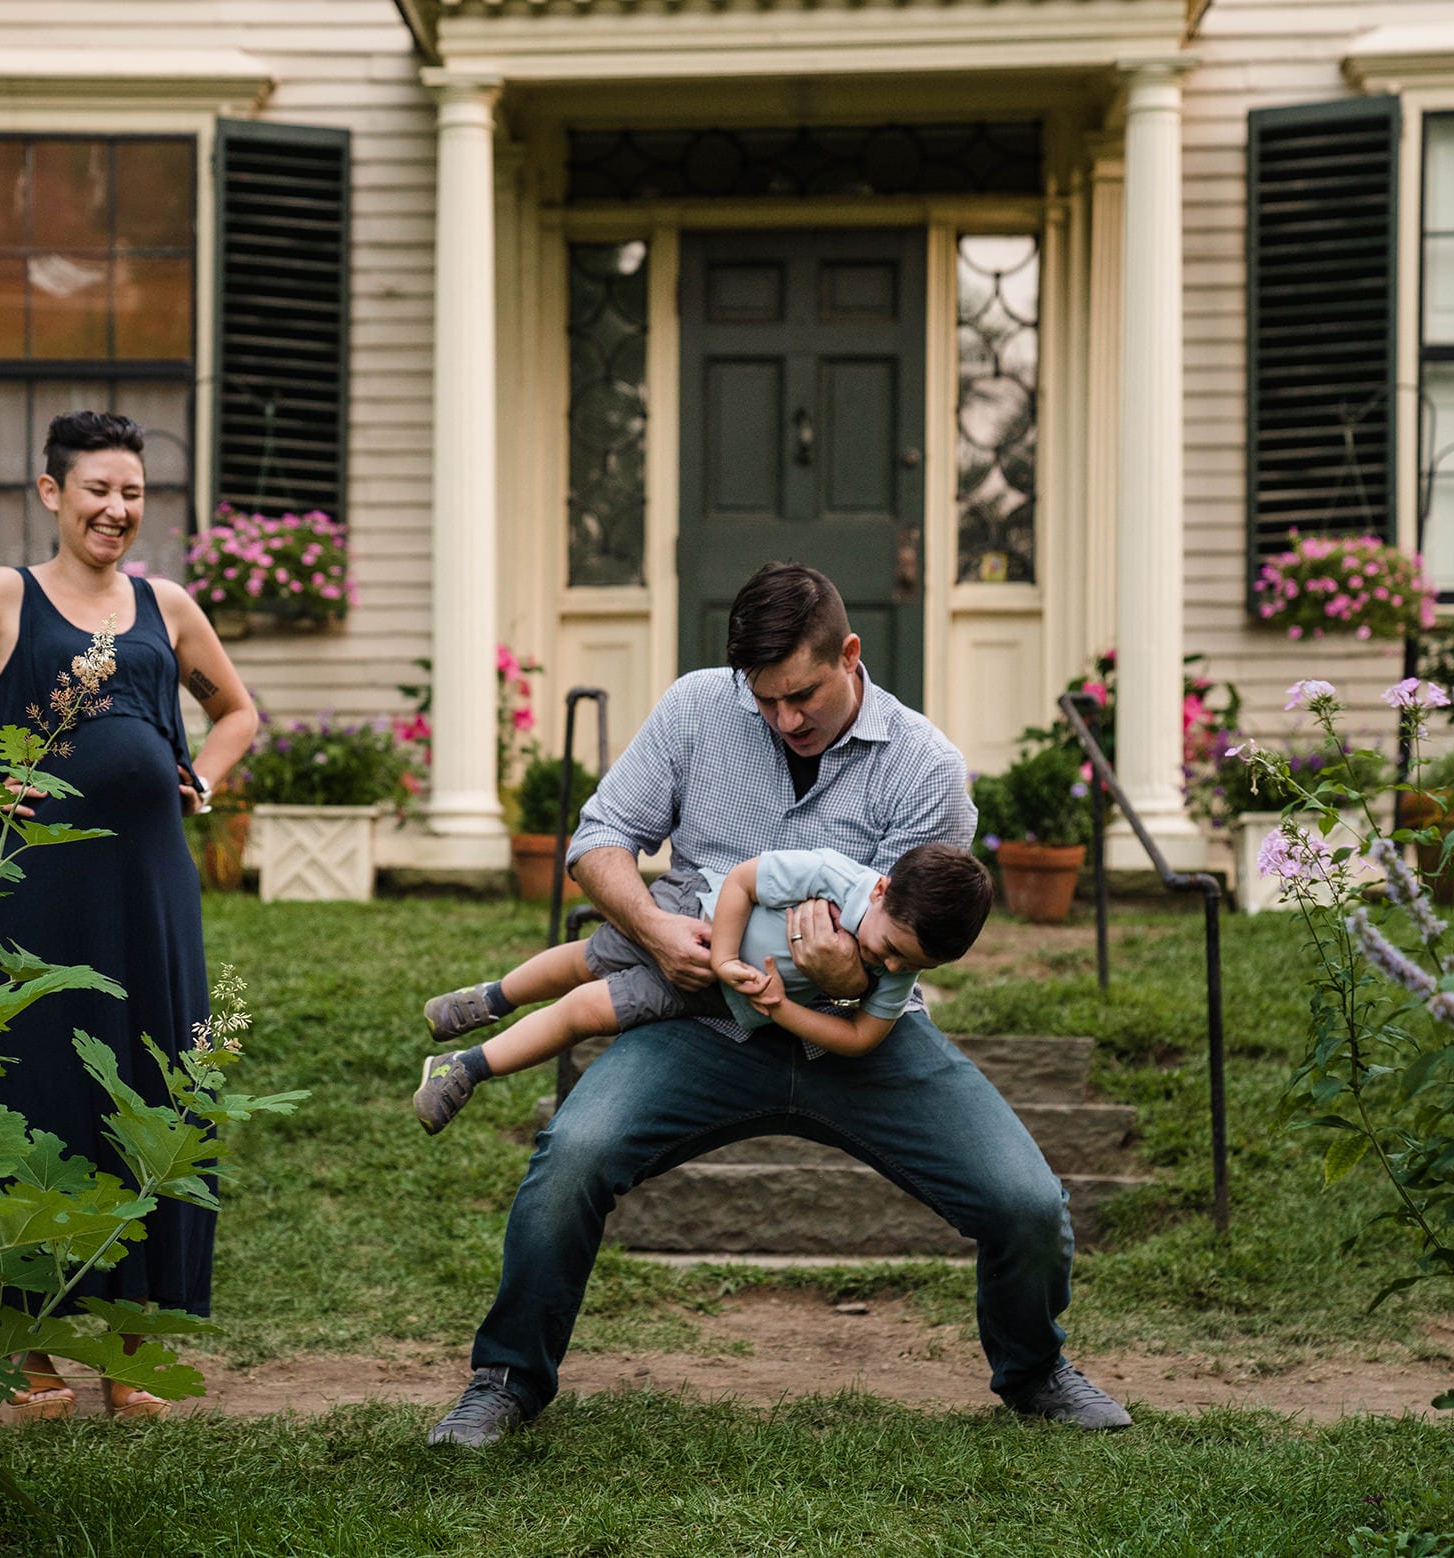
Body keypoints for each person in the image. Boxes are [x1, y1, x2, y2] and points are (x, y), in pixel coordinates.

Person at [426, 562, 1132, 1447]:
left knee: (1025, 1202)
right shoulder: (694, 708)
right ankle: (505, 1381)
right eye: (763, 702)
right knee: (574, 1152)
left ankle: (1035, 1373)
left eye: (801, 696)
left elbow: (904, 950)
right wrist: (652, 929)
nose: (784, 720)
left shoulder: (927, 767)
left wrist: (850, 979)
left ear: (850, 653)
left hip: (865, 1042)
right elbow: (599, 841)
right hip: (699, 1018)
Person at [0, 411, 257, 1421]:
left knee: (151, 1083)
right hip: (37, 890)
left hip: (153, 888)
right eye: (97, 491)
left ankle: (132, 1350)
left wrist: (200, 781)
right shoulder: (4, 597)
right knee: (38, 1093)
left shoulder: (167, 606)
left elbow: (239, 711)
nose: (115, 510)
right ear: (51, 493)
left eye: (132, 493)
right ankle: (26, 1358)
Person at [413, 842, 991, 1131]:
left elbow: (862, 1037)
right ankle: (492, 998)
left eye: (912, 967)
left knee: (587, 1010)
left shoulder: (898, 968)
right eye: (889, 948)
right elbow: (743, 881)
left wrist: (779, 1008)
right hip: (689, 915)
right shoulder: (834, 876)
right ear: (883, 891)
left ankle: (464, 1067)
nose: (889, 969)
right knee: (587, 961)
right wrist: (717, 954)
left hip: (714, 994)